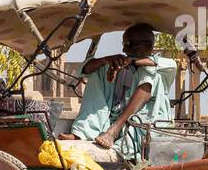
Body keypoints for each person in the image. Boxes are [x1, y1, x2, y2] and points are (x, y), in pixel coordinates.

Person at [63, 23, 176, 161]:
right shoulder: (121, 65)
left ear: (147, 46)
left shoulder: (163, 66)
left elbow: (167, 65)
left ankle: (114, 133)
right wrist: (107, 61)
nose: (124, 49)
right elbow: (84, 70)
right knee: (96, 72)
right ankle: (82, 132)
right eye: (124, 44)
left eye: (129, 44)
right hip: (112, 118)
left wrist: (131, 61)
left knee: (152, 73)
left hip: (144, 120)